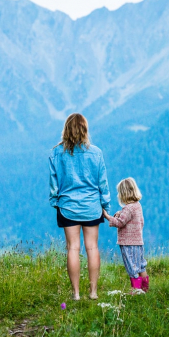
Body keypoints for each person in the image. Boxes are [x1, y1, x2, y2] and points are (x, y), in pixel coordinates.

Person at [49, 113, 111, 300]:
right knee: (92, 247)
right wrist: (105, 205)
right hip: (92, 207)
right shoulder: (96, 153)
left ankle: (76, 294)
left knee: (73, 248)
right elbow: (103, 183)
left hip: (67, 207)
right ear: (85, 129)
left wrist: (55, 202)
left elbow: (54, 183)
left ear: (66, 129)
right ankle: (93, 292)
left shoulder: (56, 153)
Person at [103, 177, 149, 292]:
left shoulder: (128, 208)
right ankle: (145, 289)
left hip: (128, 243)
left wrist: (107, 216)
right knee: (141, 265)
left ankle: (136, 291)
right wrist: (120, 213)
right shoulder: (137, 206)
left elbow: (120, 222)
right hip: (138, 242)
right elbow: (140, 221)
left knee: (132, 267)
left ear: (124, 194)